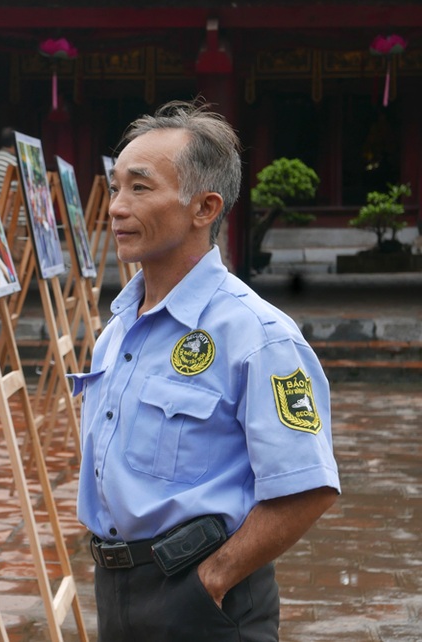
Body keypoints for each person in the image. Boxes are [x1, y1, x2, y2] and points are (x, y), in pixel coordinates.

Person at [72, 100, 340, 641]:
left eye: (140, 188)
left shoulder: (259, 336)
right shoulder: (121, 325)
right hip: (116, 588)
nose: (116, 208)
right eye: (115, 187)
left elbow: (307, 486)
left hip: (203, 598)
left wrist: (211, 580)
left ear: (204, 207)